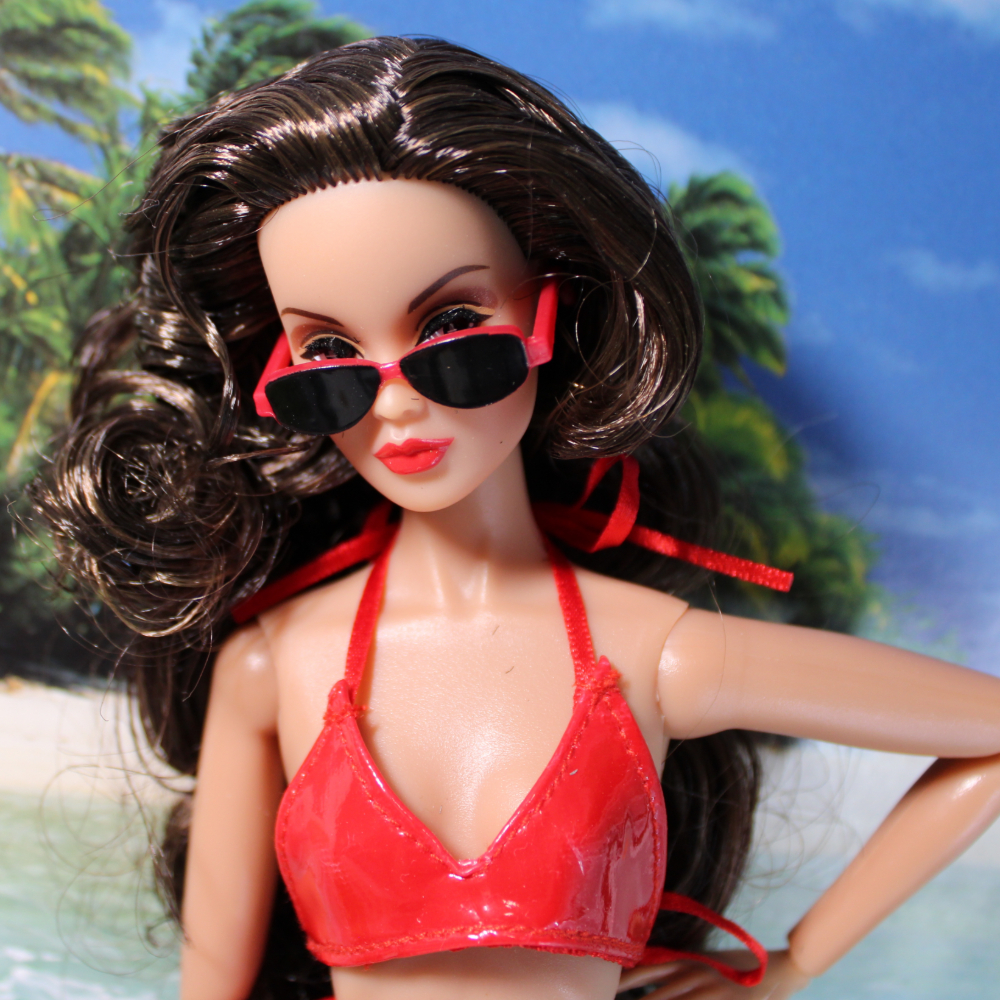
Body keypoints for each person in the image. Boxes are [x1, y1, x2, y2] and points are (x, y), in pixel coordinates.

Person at [31, 37, 1000, 1000]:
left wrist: (789, 966)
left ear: (552, 315)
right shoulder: (270, 666)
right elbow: (212, 979)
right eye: (328, 355)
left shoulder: (654, 656)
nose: (395, 403)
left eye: (452, 329)